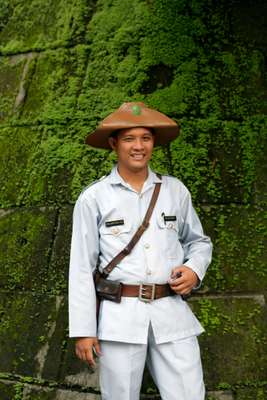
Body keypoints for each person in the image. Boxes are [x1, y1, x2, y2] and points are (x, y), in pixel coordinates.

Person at [69, 102, 212, 400]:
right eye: (129, 139)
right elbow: (81, 266)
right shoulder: (94, 198)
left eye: (145, 138)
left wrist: (194, 269)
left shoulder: (175, 190)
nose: (138, 146)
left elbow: (199, 242)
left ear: (153, 143)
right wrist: (84, 330)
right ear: (114, 144)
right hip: (119, 317)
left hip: (171, 313)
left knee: (189, 394)